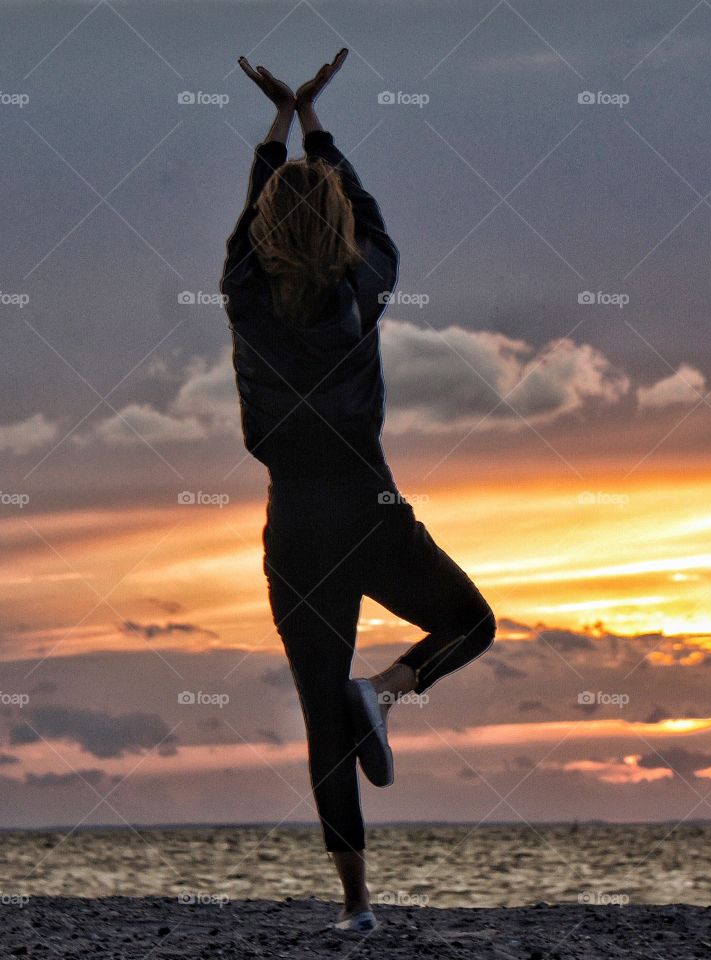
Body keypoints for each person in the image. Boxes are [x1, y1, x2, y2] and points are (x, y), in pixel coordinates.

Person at [220, 49, 496, 933]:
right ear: (339, 222)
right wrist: (314, 125)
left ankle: (357, 908)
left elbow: (251, 215)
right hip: (368, 505)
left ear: (263, 230)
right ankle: (386, 689)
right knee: (471, 624)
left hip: (295, 521)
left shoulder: (243, 294)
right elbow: (364, 210)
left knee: (316, 713)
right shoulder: (364, 285)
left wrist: (280, 126)